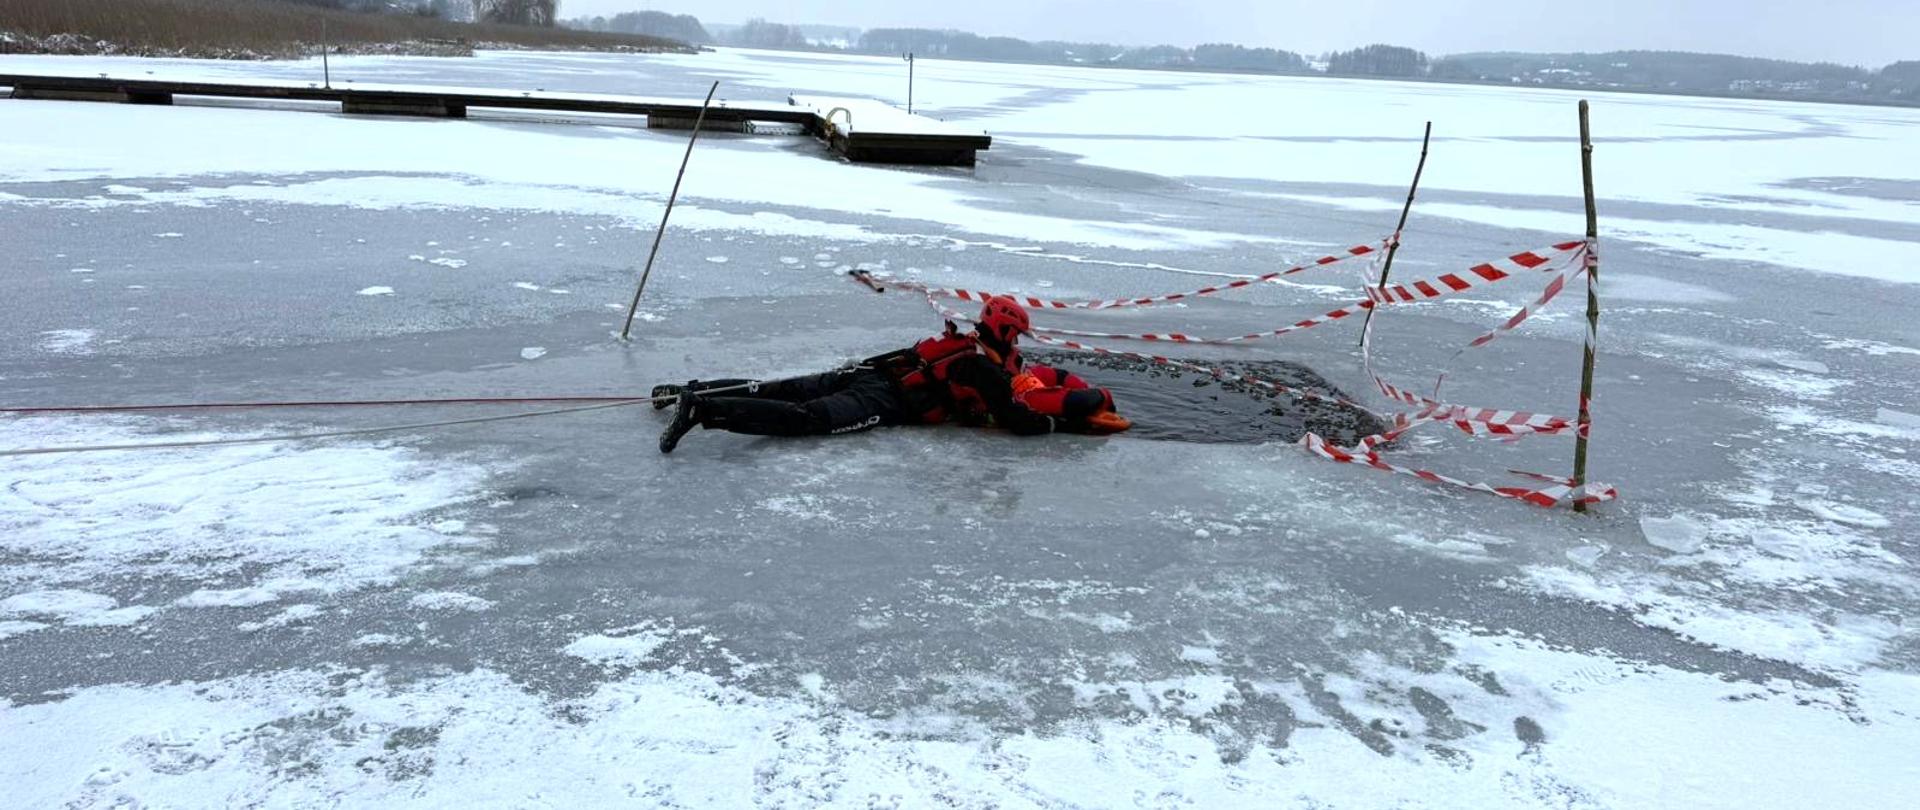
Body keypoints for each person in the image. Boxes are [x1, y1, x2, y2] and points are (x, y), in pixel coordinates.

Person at [655, 295, 1128, 453]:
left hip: (871, 372)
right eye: (1017, 335)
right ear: (1005, 331)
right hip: (886, 399)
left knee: (781, 387)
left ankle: (688, 391)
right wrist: (1055, 421)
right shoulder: (981, 367)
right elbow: (1017, 420)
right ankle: (703, 407)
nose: (1019, 344)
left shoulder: (964, 343)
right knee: (806, 417)